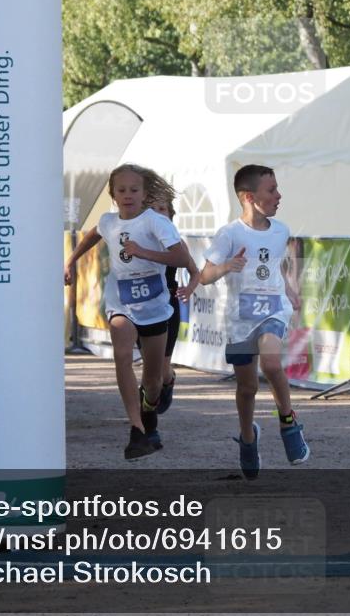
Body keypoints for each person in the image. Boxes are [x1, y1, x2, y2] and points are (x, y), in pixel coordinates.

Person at [64, 164, 194, 460]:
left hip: (156, 308)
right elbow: (94, 234)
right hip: (121, 303)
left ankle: (149, 413)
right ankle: (136, 429)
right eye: (121, 190)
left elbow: (182, 258)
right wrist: (70, 261)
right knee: (122, 354)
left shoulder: (156, 223)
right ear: (112, 194)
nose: (127, 195)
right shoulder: (109, 222)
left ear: (145, 193)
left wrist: (143, 252)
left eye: (134, 190)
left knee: (152, 383)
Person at [200, 164, 309, 479]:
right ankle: (248, 438)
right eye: (271, 190)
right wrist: (226, 267)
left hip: (273, 310)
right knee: (246, 388)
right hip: (240, 317)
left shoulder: (281, 230)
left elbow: (276, 267)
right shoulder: (229, 234)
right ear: (249, 197)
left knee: (272, 365)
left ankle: (289, 423)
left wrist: (289, 291)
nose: (279, 195)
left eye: (277, 188)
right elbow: (205, 275)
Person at [145, 195, 201, 414]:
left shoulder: (177, 243)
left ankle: (168, 379)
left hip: (168, 306)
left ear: (170, 215)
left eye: (162, 208)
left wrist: (188, 289)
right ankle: (146, 416)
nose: (158, 213)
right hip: (143, 306)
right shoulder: (138, 240)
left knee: (160, 369)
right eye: (152, 209)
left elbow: (195, 272)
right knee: (150, 370)